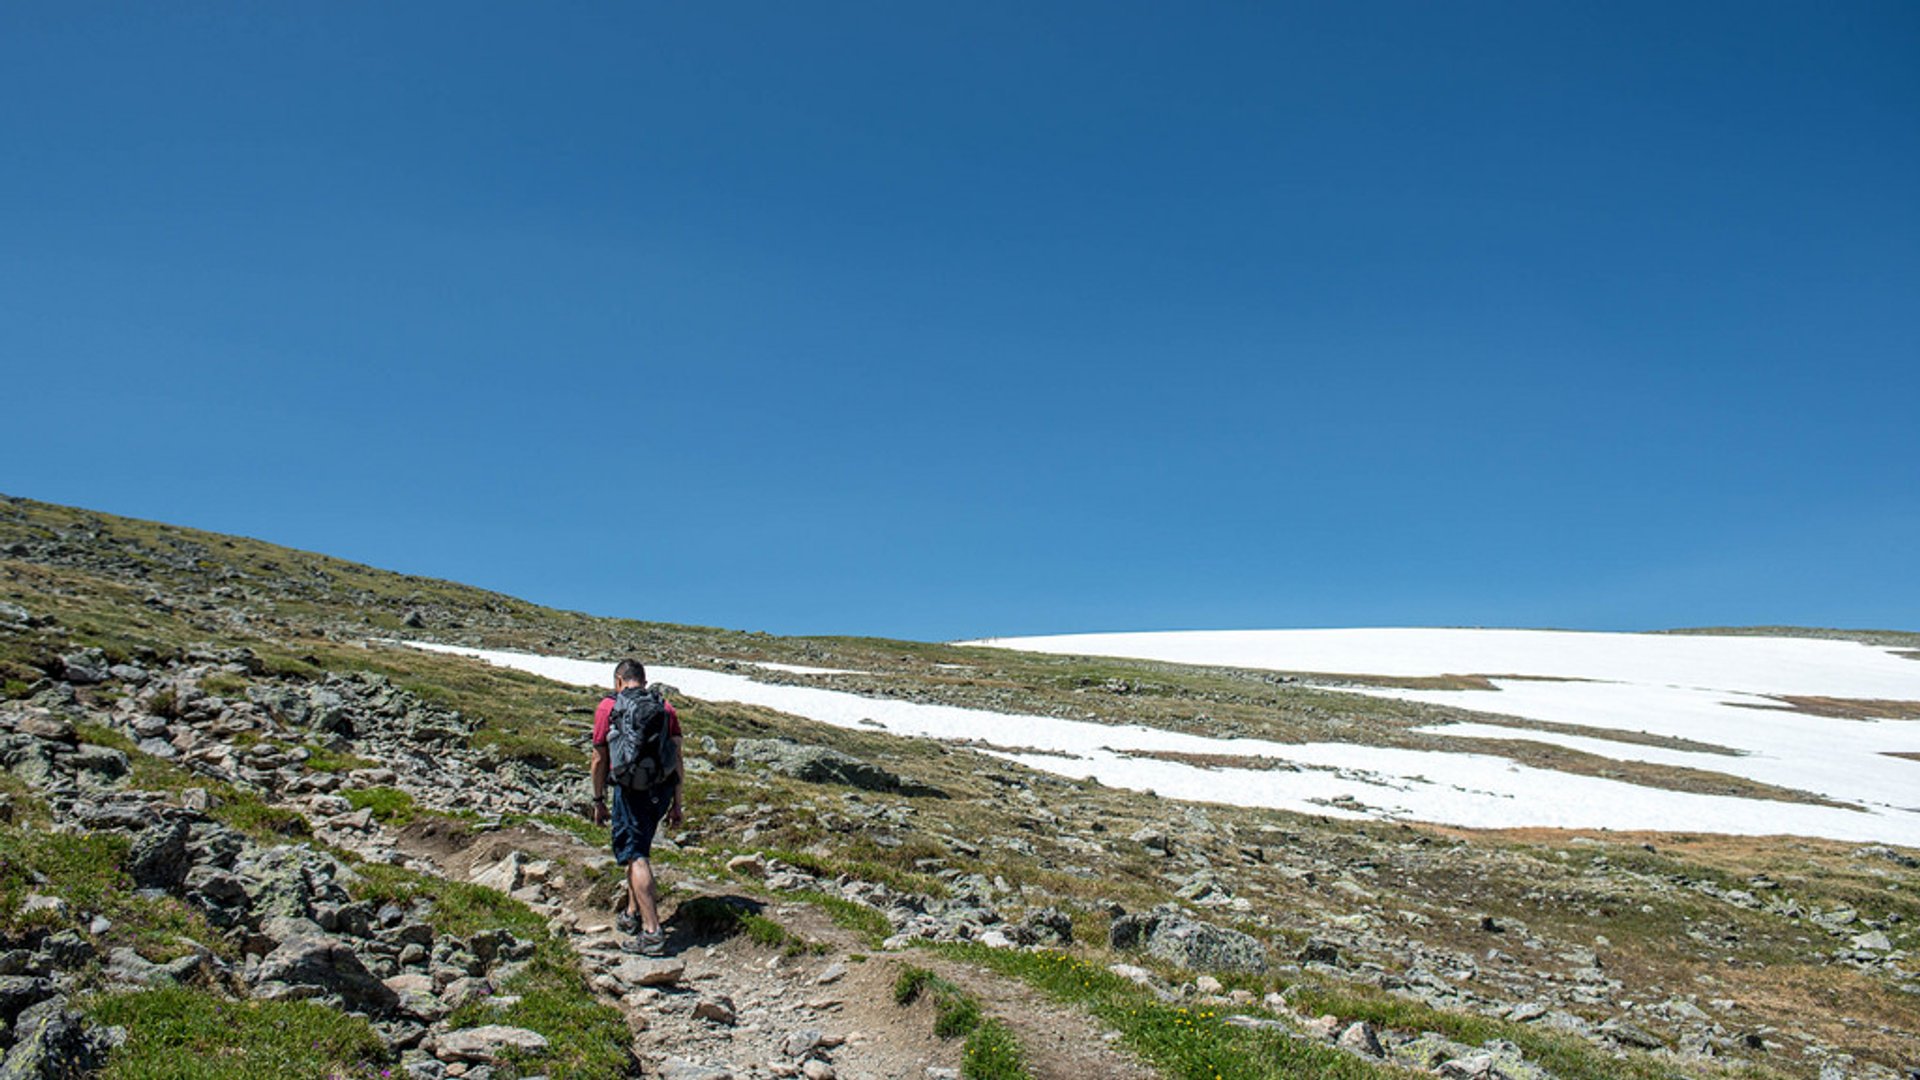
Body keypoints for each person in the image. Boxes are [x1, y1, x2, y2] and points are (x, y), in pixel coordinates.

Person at [589, 658, 685, 955]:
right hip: (662, 788)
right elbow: (678, 756)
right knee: (639, 846)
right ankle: (631, 914)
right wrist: (678, 804)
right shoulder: (665, 707)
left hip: (631, 790)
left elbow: (599, 758)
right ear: (643, 680)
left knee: (636, 855)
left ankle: (652, 932)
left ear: (619, 681)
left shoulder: (609, 706)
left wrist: (597, 800)